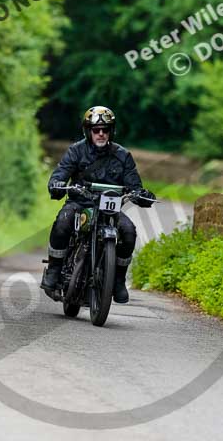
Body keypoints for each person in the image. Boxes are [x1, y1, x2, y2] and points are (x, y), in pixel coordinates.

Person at [41, 105, 155, 304]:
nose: (101, 134)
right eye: (96, 130)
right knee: (63, 221)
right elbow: (60, 174)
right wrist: (57, 184)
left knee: (128, 231)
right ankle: (54, 269)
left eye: (105, 129)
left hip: (108, 211)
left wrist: (141, 194)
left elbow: (134, 185)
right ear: (88, 131)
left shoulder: (123, 156)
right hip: (80, 204)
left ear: (111, 131)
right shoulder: (76, 151)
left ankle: (118, 280)